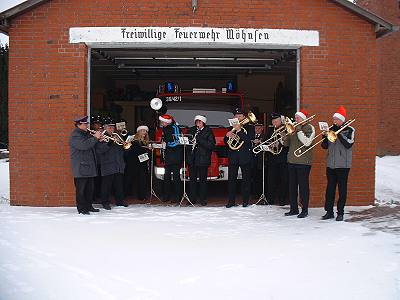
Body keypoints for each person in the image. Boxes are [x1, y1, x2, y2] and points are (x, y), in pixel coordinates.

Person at [321, 106, 355, 221]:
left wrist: (338, 133)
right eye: (334, 119)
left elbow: (348, 144)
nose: (334, 121)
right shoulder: (331, 129)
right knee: (330, 189)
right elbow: (324, 146)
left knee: (342, 189)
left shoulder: (350, 130)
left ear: (342, 120)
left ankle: (340, 212)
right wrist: (324, 137)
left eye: (337, 119)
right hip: (331, 164)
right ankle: (329, 211)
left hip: (343, 165)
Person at [283, 109, 315, 218]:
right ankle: (293, 209)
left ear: (303, 119)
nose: (295, 119)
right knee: (292, 186)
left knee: (303, 187)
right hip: (292, 160)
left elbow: (307, 142)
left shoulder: (309, 128)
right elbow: (286, 144)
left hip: (303, 162)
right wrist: (286, 134)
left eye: (298, 118)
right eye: (295, 118)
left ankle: (304, 210)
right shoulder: (294, 128)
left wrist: (299, 130)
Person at [69, 116, 101, 214]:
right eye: (85, 124)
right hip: (81, 167)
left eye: (87, 123)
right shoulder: (75, 135)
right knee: (81, 190)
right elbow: (84, 145)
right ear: (78, 125)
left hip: (89, 166)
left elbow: (92, 145)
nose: (87, 125)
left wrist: (99, 140)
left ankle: (88, 206)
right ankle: (82, 209)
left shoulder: (86, 134)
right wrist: (95, 138)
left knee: (89, 189)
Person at [224, 108, 255, 208]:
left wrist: (239, 131)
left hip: (245, 157)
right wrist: (227, 135)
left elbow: (248, 140)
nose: (238, 117)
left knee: (246, 180)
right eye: (236, 116)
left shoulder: (249, 128)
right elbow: (226, 142)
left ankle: (245, 201)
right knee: (231, 180)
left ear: (244, 117)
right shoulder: (230, 127)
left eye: (240, 116)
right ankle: (231, 201)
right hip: (233, 157)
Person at [96, 117, 128, 210]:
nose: (112, 129)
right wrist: (109, 143)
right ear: (105, 128)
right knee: (106, 185)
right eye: (110, 127)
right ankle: (105, 202)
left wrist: (126, 145)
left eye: (113, 127)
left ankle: (120, 201)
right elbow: (100, 151)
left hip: (118, 164)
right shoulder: (101, 137)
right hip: (107, 165)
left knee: (119, 184)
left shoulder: (117, 136)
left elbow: (123, 149)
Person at [187, 115, 216, 206]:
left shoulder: (208, 131)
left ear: (203, 123)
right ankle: (192, 199)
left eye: (199, 122)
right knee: (192, 180)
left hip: (203, 159)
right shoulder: (192, 130)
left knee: (203, 181)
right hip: (192, 159)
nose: (197, 123)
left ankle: (203, 199)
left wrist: (199, 139)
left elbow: (211, 145)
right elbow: (187, 140)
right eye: (196, 122)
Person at [159, 114, 183, 204]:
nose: (161, 123)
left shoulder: (175, 127)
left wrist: (167, 144)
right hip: (168, 155)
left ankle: (178, 197)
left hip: (176, 155)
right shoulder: (164, 129)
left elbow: (178, 141)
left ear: (167, 122)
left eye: (162, 122)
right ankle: (166, 196)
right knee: (167, 176)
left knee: (176, 177)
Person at [266, 113, 289, 206]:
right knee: (271, 180)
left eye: (276, 121)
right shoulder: (270, 130)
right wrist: (270, 144)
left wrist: (279, 143)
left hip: (283, 158)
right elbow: (266, 140)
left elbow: (288, 143)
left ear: (280, 121)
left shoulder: (285, 129)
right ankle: (270, 199)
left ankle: (282, 200)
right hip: (272, 158)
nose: (274, 123)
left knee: (283, 180)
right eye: (273, 121)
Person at [131, 125, 151, 201]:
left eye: (145, 131)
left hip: (143, 162)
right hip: (137, 162)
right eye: (143, 131)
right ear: (139, 132)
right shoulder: (135, 141)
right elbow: (136, 152)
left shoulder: (146, 141)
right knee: (140, 179)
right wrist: (146, 151)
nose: (144, 132)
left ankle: (144, 194)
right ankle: (141, 195)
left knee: (144, 179)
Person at [251, 123, 267, 201]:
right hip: (253, 161)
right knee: (254, 179)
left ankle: (261, 194)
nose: (257, 130)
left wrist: (260, 141)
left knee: (261, 179)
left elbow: (267, 144)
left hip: (261, 161)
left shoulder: (264, 136)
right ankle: (255, 194)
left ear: (262, 128)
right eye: (256, 128)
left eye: (259, 128)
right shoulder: (251, 136)